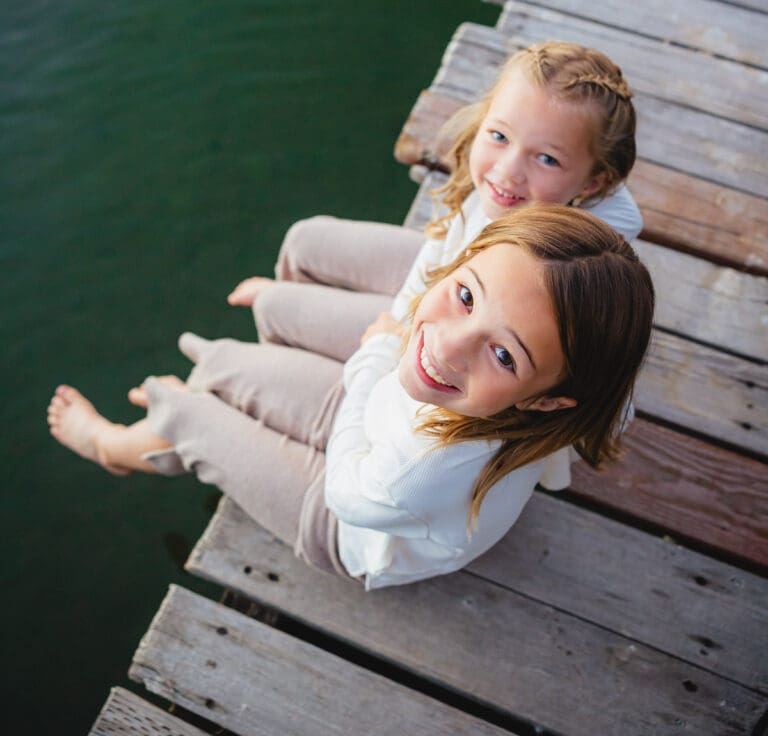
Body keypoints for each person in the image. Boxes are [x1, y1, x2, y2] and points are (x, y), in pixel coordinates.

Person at [48, 206, 654, 591]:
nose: (448, 345)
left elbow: (349, 491)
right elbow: (613, 395)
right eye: (467, 296)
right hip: (386, 422)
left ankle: (115, 446)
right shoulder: (569, 389)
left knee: (188, 413)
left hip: (351, 522)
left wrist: (373, 361)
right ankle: (193, 421)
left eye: (504, 355)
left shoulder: (417, 472)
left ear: (550, 401)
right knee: (227, 367)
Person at [227, 41, 642, 369]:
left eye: (547, 158)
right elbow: (435, 256)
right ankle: (305, 326)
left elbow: (457, 350)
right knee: (304, 240)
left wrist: (388, 340)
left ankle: (297, 359)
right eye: (499, 135)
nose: (508, 170)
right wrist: (402, 310)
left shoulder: (551, 267)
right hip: (442, 283)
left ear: (594, 181)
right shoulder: (516, 195)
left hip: (436, 348)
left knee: (275, 309)